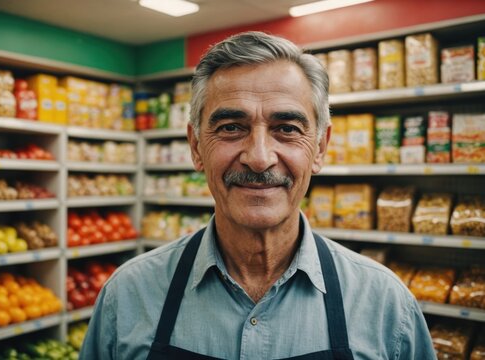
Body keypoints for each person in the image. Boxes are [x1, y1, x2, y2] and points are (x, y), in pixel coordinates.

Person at [80, 31, 435, 359]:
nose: (260, 157)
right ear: (196, 146)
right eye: (231, 128)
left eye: (287, 129)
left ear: (320, 147)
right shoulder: (127, 296)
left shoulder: (387, 305)